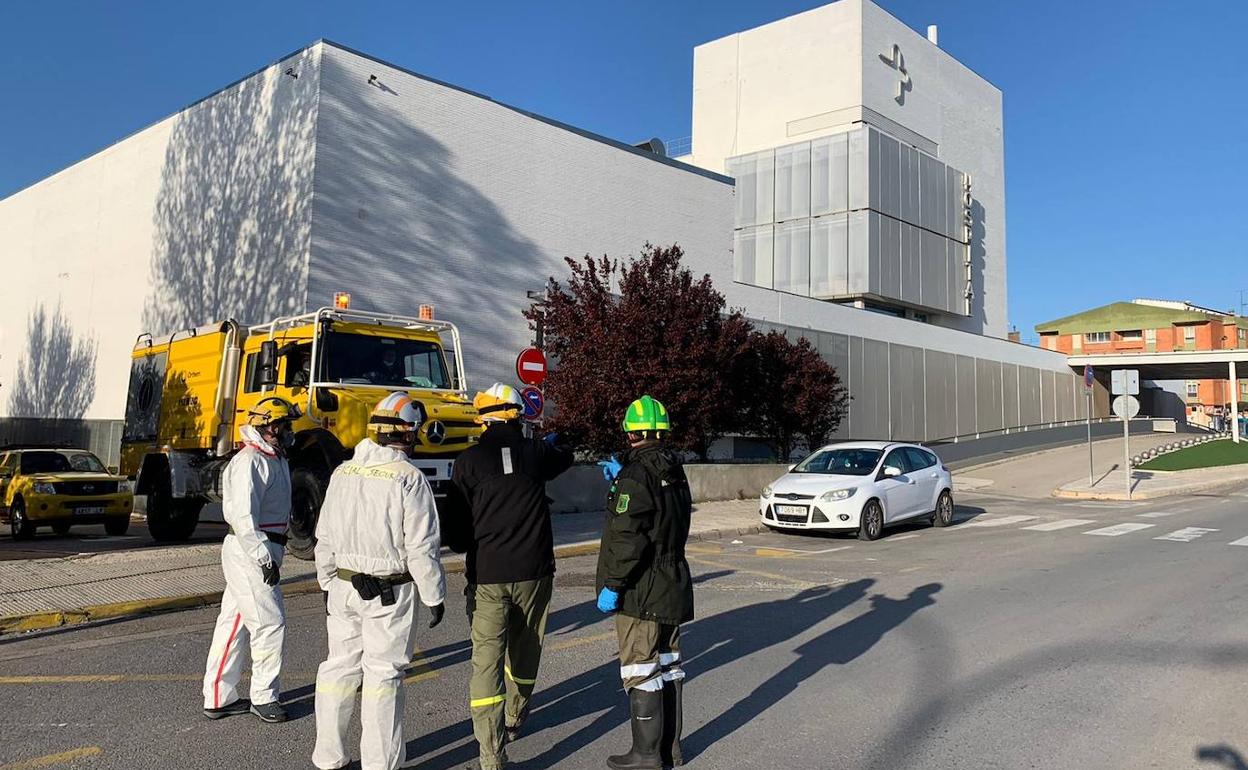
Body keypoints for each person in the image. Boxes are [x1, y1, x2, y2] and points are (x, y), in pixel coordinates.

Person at [312, 392, 447, 770]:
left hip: (342, 587)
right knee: (383, 675)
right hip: (389, 593)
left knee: (338, 667)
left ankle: (329, 757)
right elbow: (421, 546)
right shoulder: (408, 479)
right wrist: (433, 594)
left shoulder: (343, 472)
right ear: (406, 434)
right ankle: (380, 763)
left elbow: (325, 536)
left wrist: (326, 582)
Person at [444, 383, 575, 770]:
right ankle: (517, 715)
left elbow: (455, 536)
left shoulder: (468, 461)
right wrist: (552, 441)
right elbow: (565, 455)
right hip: (535, 571)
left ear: (484, 419)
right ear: (519, 417)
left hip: (488, 575)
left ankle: (491, 755)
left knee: (486, 661)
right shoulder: (536, 454)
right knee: (526, 649)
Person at [596, 395, 693, 770]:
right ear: (663, 430)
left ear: (630, 432)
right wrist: (624, 474)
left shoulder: (636, 475)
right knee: (669, 664)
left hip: (642, 588)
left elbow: (628, 538)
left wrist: (613, 585)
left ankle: (645, 754)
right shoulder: (673, 467)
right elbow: (663, 513)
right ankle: (671, 749)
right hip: (671, 580)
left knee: (640, 666)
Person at [201, 396, 298, 723]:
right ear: (268, 426)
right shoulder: (250, 461)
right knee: (270, 623)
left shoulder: (273, 458)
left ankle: (218, 696)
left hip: (260, 547)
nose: (287, 430)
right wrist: (262, 558)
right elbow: (243, 517)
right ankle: (264, 697)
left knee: (235, 622)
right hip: (251, 550)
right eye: (283, 424)